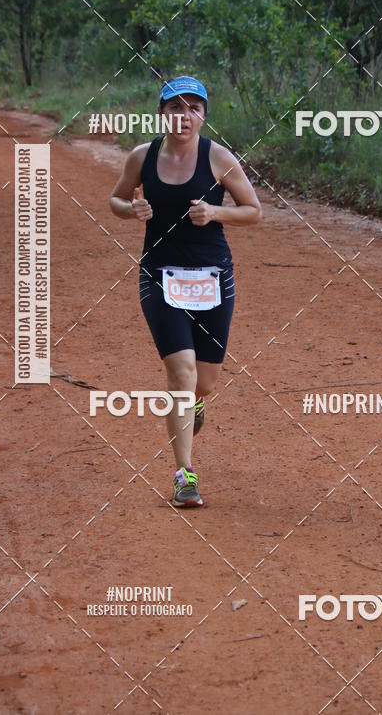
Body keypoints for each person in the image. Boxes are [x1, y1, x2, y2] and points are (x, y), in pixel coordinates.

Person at [110, 76, 262, 507]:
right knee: (181, 373)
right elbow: (115, 201)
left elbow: (253, 211)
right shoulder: (142, 157)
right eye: (175, 107)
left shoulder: (219, 158)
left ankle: (195, 403)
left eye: (193, 108)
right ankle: (184, 475)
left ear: (203, 116)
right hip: (160, 276)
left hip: (213, 277)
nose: (184, 115)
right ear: (162, 114)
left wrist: (214, 212)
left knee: (205, 382)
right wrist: (131, 209)